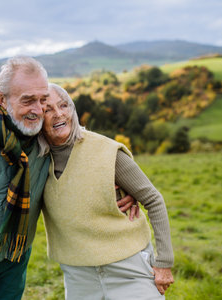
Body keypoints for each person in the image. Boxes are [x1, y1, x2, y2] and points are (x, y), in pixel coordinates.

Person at [0, 56, 137, 300]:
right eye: (28, 100)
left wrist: (125, 187)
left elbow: (82, 153)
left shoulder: (44, 132)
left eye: (42, 100)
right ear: (2, 100)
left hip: (15, 253)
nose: (38, 110)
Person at [38, 83, 174, 299]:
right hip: (78, 275)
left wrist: (164, 263)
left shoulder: (107, 152)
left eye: (64, 105)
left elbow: (154, 200)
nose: (58, 114)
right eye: (47, 110)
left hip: (129, 269)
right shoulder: (35, 160)